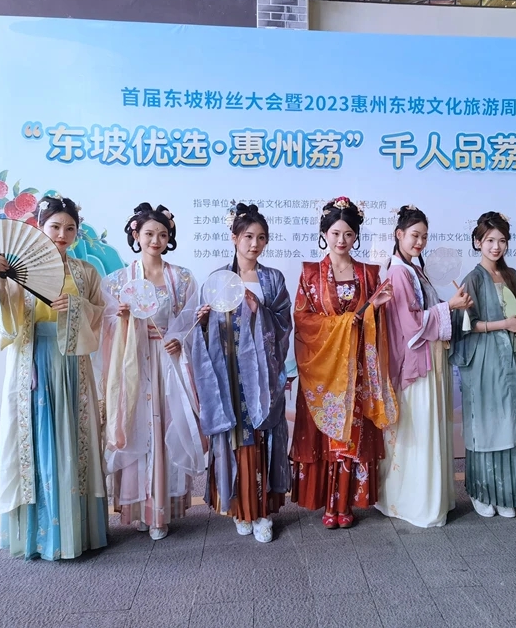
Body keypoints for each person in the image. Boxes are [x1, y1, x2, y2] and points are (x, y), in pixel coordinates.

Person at [0, 195, 108, 560]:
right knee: (35, 441)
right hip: (32, 363)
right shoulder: (17, 269)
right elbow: (1, 322)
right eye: (54, 226)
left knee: (73, 438)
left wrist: (77, 307)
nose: (62, 234)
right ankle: (39, 537)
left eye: (70, 228)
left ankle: (78, 533)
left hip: (72, 364)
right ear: (39, 227)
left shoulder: (86, 272)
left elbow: (99, 315)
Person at [290, 196, 397, 529]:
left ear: (356, 237)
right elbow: (303, 320)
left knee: (353, 435)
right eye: (335, 233)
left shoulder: (369, 273)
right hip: (324, 369)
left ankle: (346, 503)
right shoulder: (310, 274)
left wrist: (373, 310)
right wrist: (350, 320)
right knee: (325, 434)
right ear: (324, 233)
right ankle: (328, 503)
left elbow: (377, 321)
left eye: (348, 234)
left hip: (357, 369)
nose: (341, 240)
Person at [100, 203, 204, 541]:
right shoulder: (118, 280)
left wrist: (179, 339)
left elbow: (189, 321)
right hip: (134, 361)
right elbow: (105, 323)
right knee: (136, 426)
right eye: (149, 233)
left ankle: (162, 511)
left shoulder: (182, 278)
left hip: (167, 360)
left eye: (162, 234)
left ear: (169, 237)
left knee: (167, 426)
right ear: (136, 234)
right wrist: (122, 318)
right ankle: (139, 508)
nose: (155, 240)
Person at [191, 203, 292, 543]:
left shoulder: (273, 279)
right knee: (235, 437)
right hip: (229, 374)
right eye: (248, 236)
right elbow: (208, 331)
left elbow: (283, 324)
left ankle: (262, 511)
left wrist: (258, 309)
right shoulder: (217, 279)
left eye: (261, 238)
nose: (254, 244)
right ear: (234, 237)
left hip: (261, 376)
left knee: (262, 436)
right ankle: (240, 508)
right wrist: (203, 322)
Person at [376, 205, 472, 527]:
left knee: (424, 428)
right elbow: (412, 325)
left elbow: (423, 314)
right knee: (419, 430)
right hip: (418, 362)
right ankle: (414, 502)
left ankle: (424, 499)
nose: (420, 242)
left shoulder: (413, 270)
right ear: (399, 234)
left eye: (424, 237)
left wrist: (450, 305)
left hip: (429, 359)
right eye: (414, 235)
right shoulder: (399, 272)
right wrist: (449, 306)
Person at [450, 212, 516, 519]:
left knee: (509, 422)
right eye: (489, 240)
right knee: (485, 423)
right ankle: (481, 491)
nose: (496, 247)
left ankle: (506, 493)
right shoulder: (472, 278)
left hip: (510, 356)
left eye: (502, 241)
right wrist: (503, 324)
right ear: (477, 242)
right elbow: (465, 325)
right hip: (483, 358)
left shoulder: (511, 276)